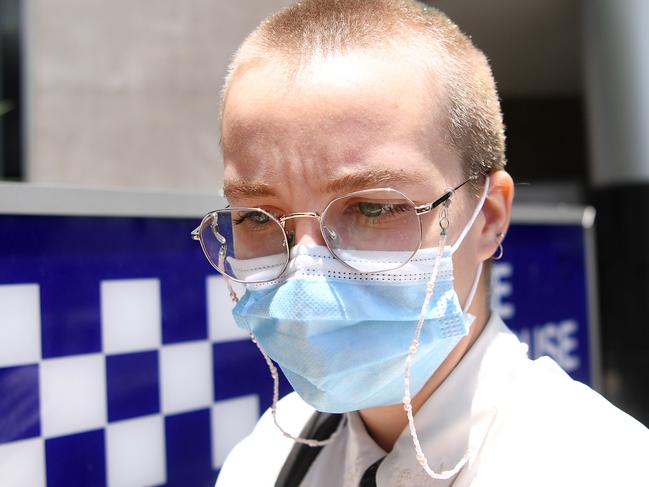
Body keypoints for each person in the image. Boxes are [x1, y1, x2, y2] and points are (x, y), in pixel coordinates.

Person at [193, 1, 649, 485]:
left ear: (489, 216)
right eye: (257, 217)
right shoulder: (263, 459)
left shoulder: (603, 465)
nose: (304, 276)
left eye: (372, 208)